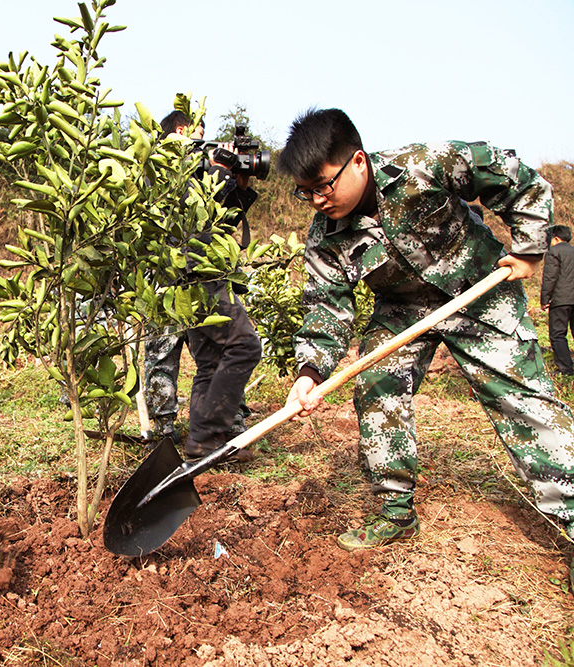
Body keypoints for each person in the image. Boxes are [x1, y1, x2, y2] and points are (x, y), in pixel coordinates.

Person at [277, 108, 574, 585]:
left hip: (479, 288)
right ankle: (395, 510)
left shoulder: (425, 165)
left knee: (524, 401)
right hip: (401, 308)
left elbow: (516, 177)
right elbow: (325, 307)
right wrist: (310, 372)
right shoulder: (325, 237)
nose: (315, 200)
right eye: (304, 192)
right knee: (377, 382)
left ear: (357, 161)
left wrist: (528, 245)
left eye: (322, 186)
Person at [151, 110, 262, 460]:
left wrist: (238, 185)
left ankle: (203, 445)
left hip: (204, 271)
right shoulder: (166, 165)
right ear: (182, 130)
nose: (204, 140)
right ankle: (206, 434)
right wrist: (218, 170)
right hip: (195, 273)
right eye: (199, 133)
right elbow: (190, 215)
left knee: (211, 360)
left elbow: (220, 214)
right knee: (244, 346)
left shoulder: (199, 169)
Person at [540, 225, 574, 376]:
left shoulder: (554, 252)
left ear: (556, 238)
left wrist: (545, 299)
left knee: (558, 334)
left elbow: (550, 277)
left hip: (561, 299)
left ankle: (565, 369)